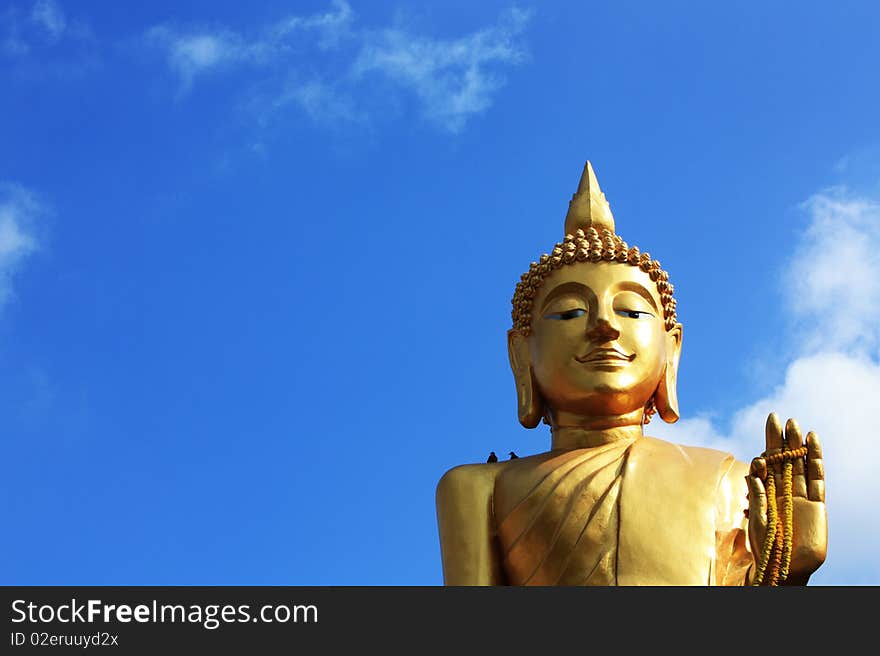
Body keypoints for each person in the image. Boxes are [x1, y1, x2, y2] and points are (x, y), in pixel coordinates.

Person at [435, 162, 827, 585]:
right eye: (570, 312)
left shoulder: (731, 480)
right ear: (520, 353)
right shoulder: (482, 489)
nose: (605, 326)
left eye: (632, 309)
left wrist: (783, 574)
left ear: (671, 348)